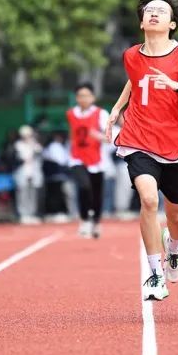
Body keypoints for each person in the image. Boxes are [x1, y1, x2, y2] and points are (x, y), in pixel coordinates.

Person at [107, 0, 178, 302]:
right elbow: (135, 79)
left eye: (161, 11)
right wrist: (117, 109)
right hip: (138, 138)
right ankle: (155, 276)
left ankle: (174, 246)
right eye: (149, 10)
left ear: (172, 24)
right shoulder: (131, 55)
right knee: (149, 201)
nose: (154, 14)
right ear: (142, 22)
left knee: (176, 215)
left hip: (177, 143)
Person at [67, 83, 108, 238]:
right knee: (84, 187)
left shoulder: (100, 113)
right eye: (80, 96)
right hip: (77, 157)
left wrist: (98, 137)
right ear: (77, 98)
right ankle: (84, 220)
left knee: (97, 193)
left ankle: (96, 222)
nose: (83, 99)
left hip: (96, 160)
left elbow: (109, 136)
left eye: (87, 95)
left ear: (93, 97)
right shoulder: (71, 114)